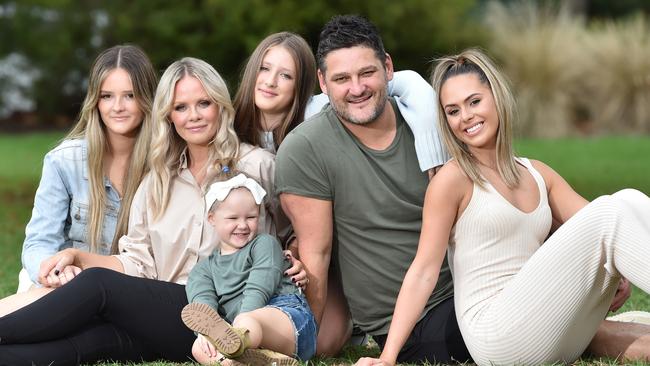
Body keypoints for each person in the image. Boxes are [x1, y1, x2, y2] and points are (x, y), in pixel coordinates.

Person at [0, 57, 303, 365]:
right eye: (181, 107)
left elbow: (293, 231)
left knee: (97, 286)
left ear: (221, 106)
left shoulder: (258, 166)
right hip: (165, 320)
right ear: (168, 115)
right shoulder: (158, 180)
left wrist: (294, 254)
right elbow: (137, 262)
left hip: (229, 313)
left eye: (203, 103)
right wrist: (79, 258)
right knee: (89, 343)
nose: (193, 116)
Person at [356, 48, 650, 366]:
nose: (465, 116)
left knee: (627, 200)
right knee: (613, 209)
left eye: (474, 101)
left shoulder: (539, 174)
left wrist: (620, 273)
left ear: (496, 97)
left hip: (550, 331)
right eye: (452, 111)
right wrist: (386, 358)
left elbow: (612, 230)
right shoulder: (452, 180)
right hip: (496, 335)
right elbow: (423, 272)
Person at [236, 30, 449, 355]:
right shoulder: (233, 136)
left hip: (319, 249)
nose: (270, 82)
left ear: (305, 84)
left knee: (324, 341)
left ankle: (284, 337)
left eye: (285, 75)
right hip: (266, 248)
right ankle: (247, 337)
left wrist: (432, 138)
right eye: (265, 69)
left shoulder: (316, 112)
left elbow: (406, 82)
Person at [1, 44, 157, 315]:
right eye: (107, 96)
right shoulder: (64, 161)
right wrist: (56, 272)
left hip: (129, 288)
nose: (117, 107)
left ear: (147, 98)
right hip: (62, 283)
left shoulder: (165, 165)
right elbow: (39, 242)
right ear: (94, 100)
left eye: (129, 95)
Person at [181, 171, 316, 366]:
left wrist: (238, 326)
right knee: (198, 347)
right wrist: (206, 333)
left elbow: (258, 289)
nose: (243, 225)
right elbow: (203, 308)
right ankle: (239, 362)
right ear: (212, 218)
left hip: (287, 321)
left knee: (248, 319)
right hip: (245, 333)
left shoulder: (264, 244)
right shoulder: (202, 270)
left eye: (251, 217)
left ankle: (238, 346)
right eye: (233, 218)